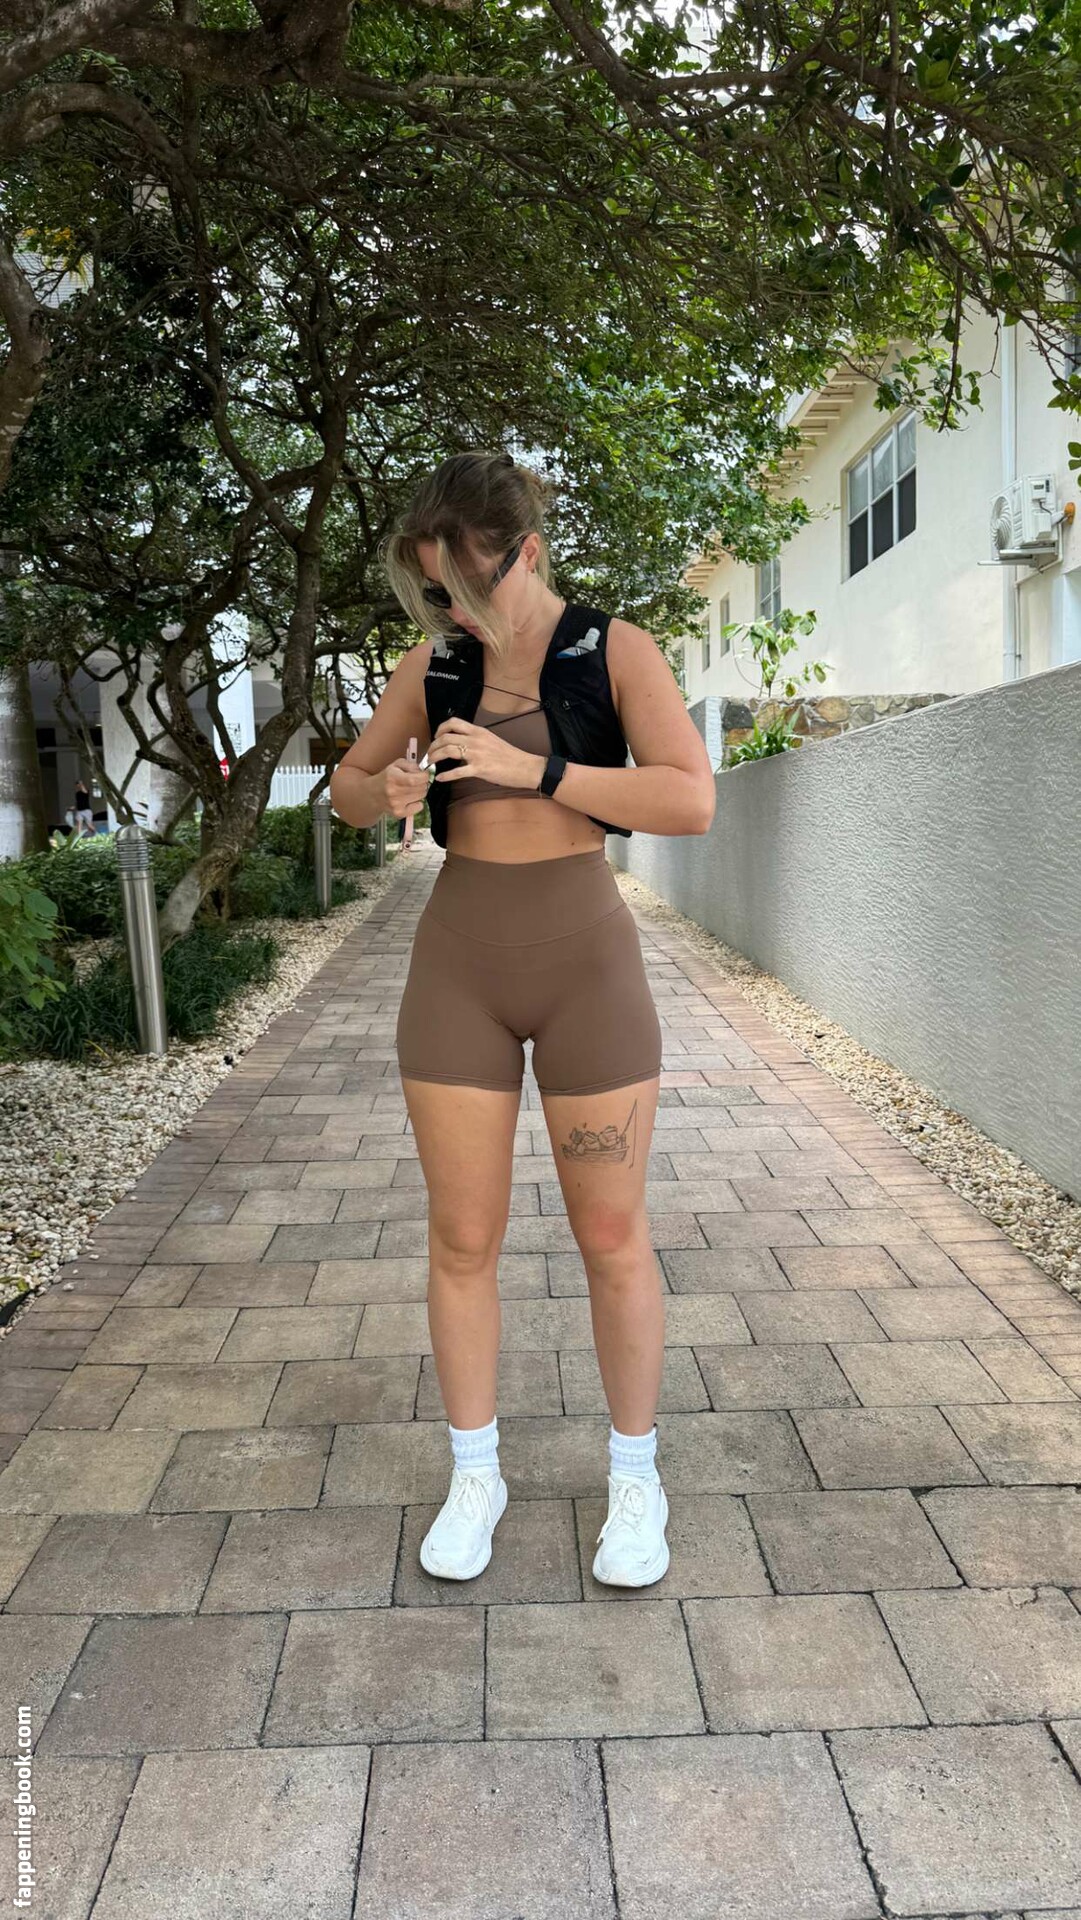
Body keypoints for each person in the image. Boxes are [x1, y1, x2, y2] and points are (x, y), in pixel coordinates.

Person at [329, 450, 715, 1589]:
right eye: (432, 591)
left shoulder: (613, 649)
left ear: (528, 554)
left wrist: (531, 770)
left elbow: (688, 797)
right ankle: (475, 1474)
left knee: (611, 1236)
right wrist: (386, 792)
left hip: (586, 963)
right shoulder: (433, 666)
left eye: (464, 586)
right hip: (460, 965)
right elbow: (347, 788)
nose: (449, 610)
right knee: (462, 1240)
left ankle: (635, 1477)